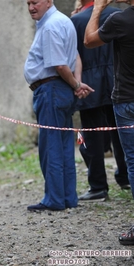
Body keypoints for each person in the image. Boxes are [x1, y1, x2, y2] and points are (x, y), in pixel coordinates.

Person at [24, 0, 94, 211]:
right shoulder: (63, 21)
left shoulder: (51, 25)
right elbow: (75, 56)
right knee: (64, 146)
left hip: (51, 90)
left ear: (48, 1)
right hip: (60, 89)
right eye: (27, 3)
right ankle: (68, 197)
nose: (31, 7)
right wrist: (77, 83)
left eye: (35, 2)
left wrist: (75, 83)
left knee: (51, 146)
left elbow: (60, 64)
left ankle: (54, 199)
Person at [84, 0, 134, 245]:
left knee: (133, 162)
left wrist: (97, 8)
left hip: (127, 100)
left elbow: (89, 40)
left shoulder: (120, 20)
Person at [71, 0, 130, 202]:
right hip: (116, 81)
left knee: (90, 136)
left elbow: (73, 52)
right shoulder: (117, 15)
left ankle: (97, 186)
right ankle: (125, 177)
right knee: (121, 135)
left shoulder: (76, 21)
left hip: (89, 85)